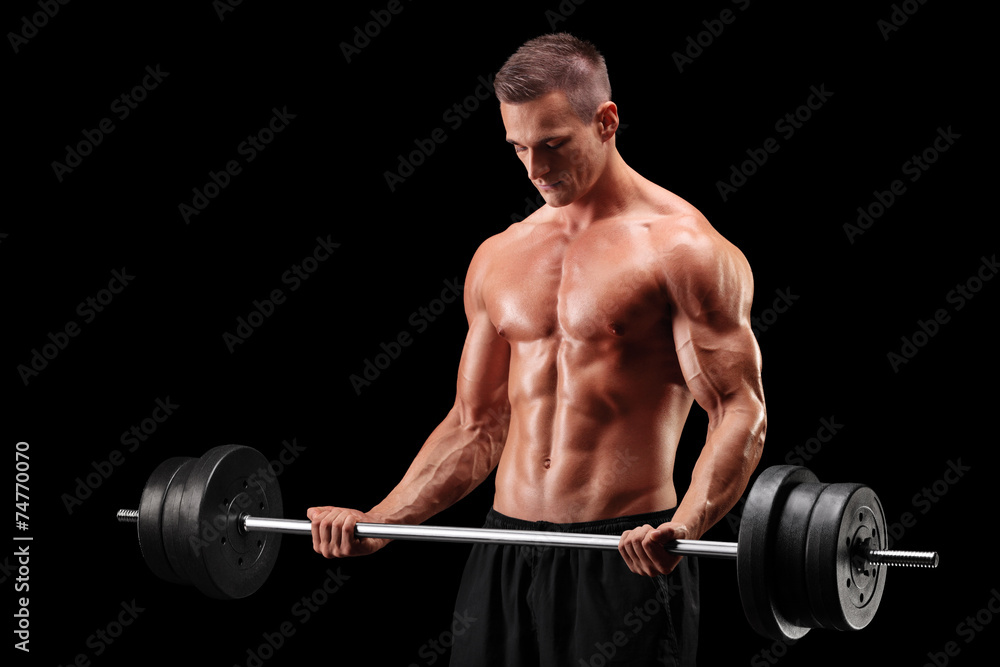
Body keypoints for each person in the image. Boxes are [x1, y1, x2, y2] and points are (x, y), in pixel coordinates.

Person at [307, 33, 766, 666]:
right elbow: (477, 425)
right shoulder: (499, 255)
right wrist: (381, 522)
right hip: (502, 551)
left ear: (606, 121)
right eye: (519, 148)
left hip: (625, 555)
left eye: (553, 144)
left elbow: (739, 409)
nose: (535, 169)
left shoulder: (682, 249)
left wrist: (686, 525)